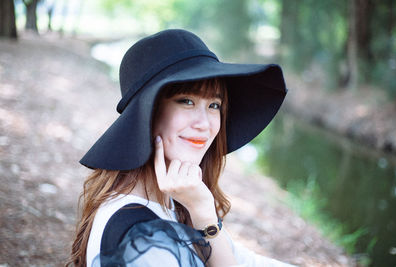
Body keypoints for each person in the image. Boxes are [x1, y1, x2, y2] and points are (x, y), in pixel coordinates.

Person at [68, 29, 294, 267]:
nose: (204, 124)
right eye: (187, 101)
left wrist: (202, 212)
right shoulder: (144, 238)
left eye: (214, 105)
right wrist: (204, 214)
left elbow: (245, 261)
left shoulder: (175, 202)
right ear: (148, 113)